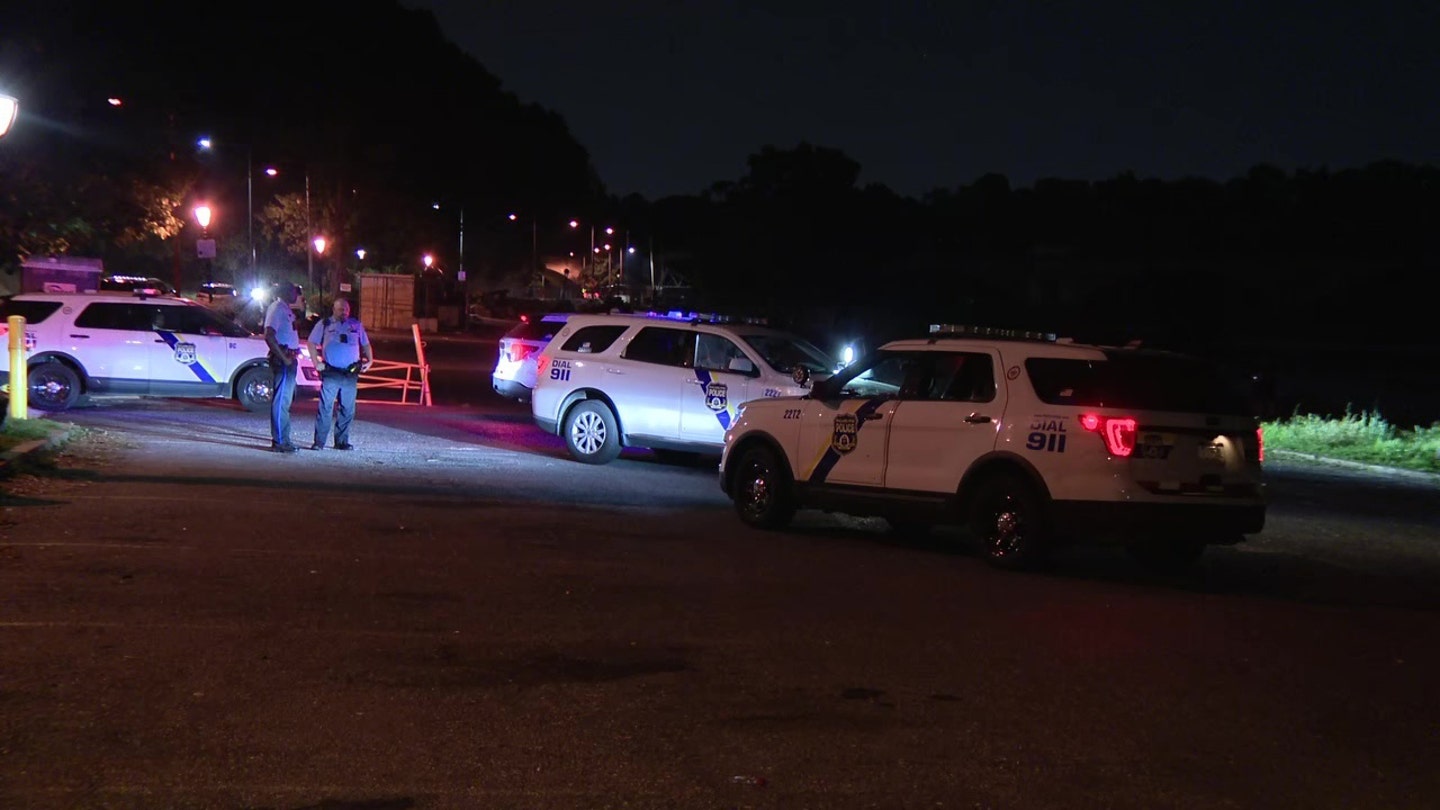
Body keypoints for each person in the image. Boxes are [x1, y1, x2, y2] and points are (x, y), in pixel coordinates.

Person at [307, 298, 373, 451]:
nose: (343, 312)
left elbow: (366, 344)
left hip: (350, 374)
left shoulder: (356, 325)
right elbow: (311, 343)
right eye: (340, 309)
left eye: (346, 309)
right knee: (325, 408)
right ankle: (319, 442)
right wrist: (316, 363)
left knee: (347, 409)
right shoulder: (325, 324)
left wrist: (370, 360)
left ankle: (341, 441)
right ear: (333, 309)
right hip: (331, 372)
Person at [263, 283, 303, 453]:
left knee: (285, 401)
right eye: (295, 290)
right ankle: (279, 441)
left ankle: (284, 438)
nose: (297, 294)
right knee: (281, 401)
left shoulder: (284, 308)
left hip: (289, 359)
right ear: (286, 291)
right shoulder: (277, 308)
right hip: (284, 361)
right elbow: (269, 335)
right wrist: (284, 358)